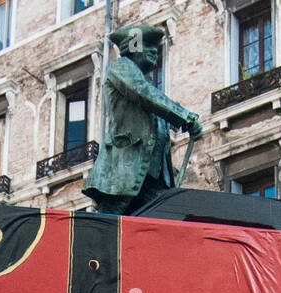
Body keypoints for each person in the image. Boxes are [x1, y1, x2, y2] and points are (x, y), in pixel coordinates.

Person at [83, 23, 204, 215]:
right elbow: (142, 92)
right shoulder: (121, 68)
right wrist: (184, 117)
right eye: (147, 46)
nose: (154, 51)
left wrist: (187, 122)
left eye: (155, 47)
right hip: (125, 167)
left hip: (154, 175)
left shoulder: (151, 87)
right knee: (108, 223)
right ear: (133, 47)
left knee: (164, 220)